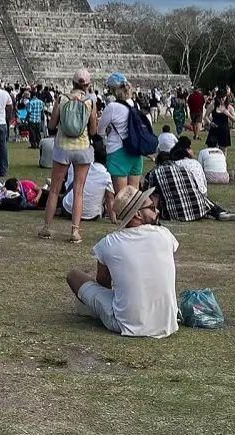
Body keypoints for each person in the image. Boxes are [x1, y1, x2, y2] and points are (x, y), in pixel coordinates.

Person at [64, 187, 179, 338]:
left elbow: (103, 283)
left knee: (74, 275)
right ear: (138, 214)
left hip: (125, 324)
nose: (156, 211)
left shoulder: (109, 243)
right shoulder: (165, 235)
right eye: (151, 207)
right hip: (167, 322)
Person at [40, 69, 98, 243]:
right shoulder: (90, 102)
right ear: (88, 85)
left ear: (72, 83)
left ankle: (47, 227)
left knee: (54, 189)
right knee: (78, 191)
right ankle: (75, 231)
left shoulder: (62, 99)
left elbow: (52, 125)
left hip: (63, 147)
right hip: (83, 148)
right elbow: (93, 130)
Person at [99, 73, 143, 193]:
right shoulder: (134, 104)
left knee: (122, 197)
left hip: (118, 152)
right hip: (135, 151)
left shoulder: (112, 107)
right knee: (134, 197)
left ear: (113, 90)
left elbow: (100, 130)